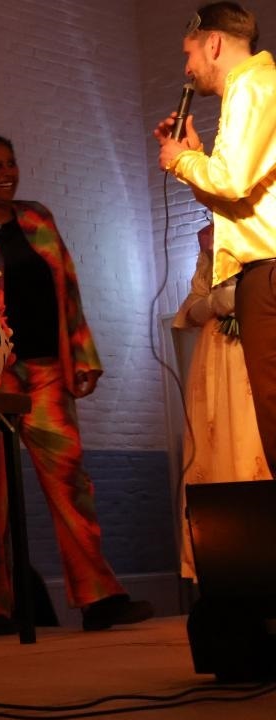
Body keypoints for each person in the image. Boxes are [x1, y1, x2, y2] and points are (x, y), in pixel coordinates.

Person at [0, 129, 154, 634]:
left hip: (46, 372)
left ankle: (99, 598)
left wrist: (82, 355)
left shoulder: (39, 219)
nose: (8, 173)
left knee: (71, 480)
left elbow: (67, 287)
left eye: (11, 163)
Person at [155, 2, 276, 476]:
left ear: (215, 44)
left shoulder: (251, 86)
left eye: (189, 54)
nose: (187, 69)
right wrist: (195, 156)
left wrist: (179, 159)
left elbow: (231, 181)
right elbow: (239, 200)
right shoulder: (256, 87)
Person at [173, 221, 271, 579]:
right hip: (218, 354)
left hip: (260, 338)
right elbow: (191, 307)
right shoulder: (211, 237)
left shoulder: (266, 227)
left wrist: (247, 295)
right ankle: (226, 558)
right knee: (218, 441)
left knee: (256, 433)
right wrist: (215, 302)